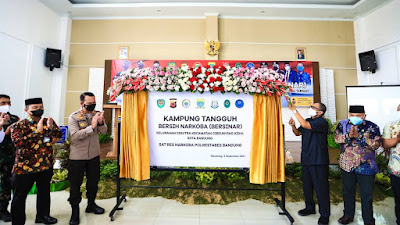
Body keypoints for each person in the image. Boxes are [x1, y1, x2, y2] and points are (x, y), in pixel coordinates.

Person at [10, 97, 62, 225]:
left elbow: (58, 134)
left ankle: (43, 216)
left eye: (41, 107)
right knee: (20, 196)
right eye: (35, 108)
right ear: (27, 110)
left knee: (44, 192)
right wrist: (37, 132)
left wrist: (50, 128)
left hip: (45, 164)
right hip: (25, 167)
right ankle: (18, 221)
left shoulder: (47, 121)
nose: (39, 110)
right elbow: (19, 143)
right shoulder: (19, 125)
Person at [335, 105, 381, 225]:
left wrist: (359, 137)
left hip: (366, 165)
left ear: (364, 116)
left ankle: (368, 220)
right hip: (347, 164)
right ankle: (348, 215)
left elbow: (376, 145)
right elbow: (336, 139)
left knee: (366, 195)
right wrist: (348, 136)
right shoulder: (343, 124)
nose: (354, 117)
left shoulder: (372, 126)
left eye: (358, 116)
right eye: (352, 115)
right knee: (347, 192)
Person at [288, 100, 330, 225]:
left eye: (313, 107)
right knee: (307, 186)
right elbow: (298, 133)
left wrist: (294, 110)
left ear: (320, 112)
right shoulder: (308, 120)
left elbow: (305, 125)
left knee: (321, 188)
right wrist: (293, 126)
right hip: (306, 158)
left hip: (318, 160)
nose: (310, 108)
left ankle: (325, 214)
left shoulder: (322, 122)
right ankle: (310, 207)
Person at [68, 92, 107, 225]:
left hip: (94, 155)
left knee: (93, 182)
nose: (92, 105)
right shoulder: (74, 117)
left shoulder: (96, 114)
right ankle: (74, 212)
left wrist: (101, 122)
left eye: (94, 102)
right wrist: (92, 126)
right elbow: (75, 135)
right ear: (82, 103)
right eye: (89, 103)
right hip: (77, 157)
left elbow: (104, 132)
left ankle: (91, 204)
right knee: (75, 185)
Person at [0, 95, 19, 222]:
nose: (6, 104)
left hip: (9, 158)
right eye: (3, 102)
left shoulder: (14, 118)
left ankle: (3, 210)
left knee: (6, 184)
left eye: (8, 102)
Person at [382, 104, 400, 225]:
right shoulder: (391, 125)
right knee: (399, 201)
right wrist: (397, 139)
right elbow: (386, 144)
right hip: (396, 170)